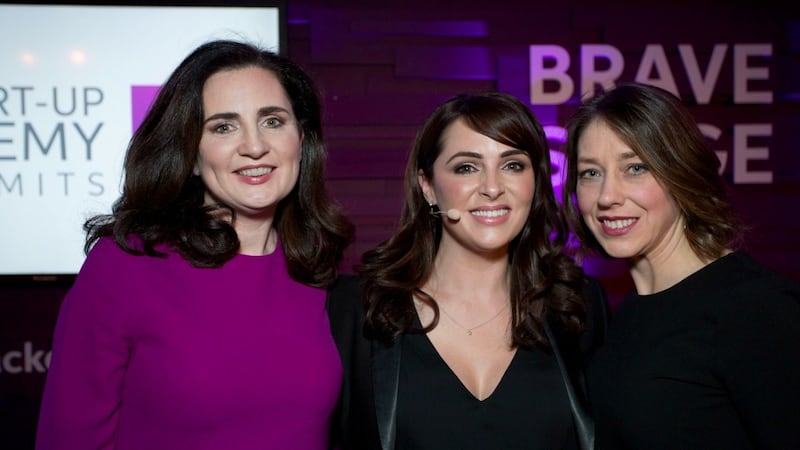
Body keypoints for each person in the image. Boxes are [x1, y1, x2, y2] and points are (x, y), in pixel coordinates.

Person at [35, 39, 354, 450]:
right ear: (191, 154)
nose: (254, 146)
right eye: (223, 127)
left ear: (302, 137)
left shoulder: (314, 268)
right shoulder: (126, 264)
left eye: (272, 121)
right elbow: (69, 438)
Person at [327, 92, 607, 450]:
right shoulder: (356, 309)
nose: (492, 188)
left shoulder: (578, 305)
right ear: (427, 186)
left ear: (534, 182)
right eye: (466, 167)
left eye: (512, 165)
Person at [562, 82, 800, 449]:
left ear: (680, 174)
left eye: (635, 168)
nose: (607, 196)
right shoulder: (621, 316)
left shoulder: (755, 308)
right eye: (591, 173)